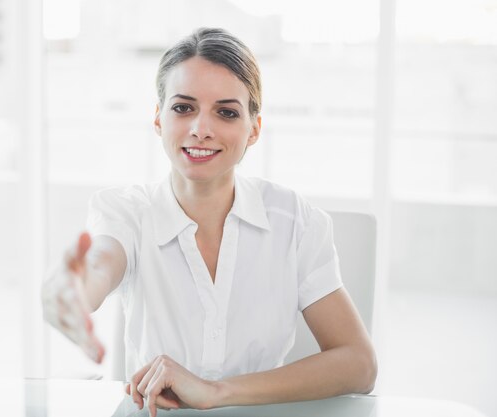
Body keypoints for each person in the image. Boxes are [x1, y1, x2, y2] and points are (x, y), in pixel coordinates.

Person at [41, 27, 377, 417]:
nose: (201, 128)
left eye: (227, 112)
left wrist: (215, 392)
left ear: (253, 129)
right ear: (158, 119)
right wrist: (73, 288)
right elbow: (100, 263)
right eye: (183, 108)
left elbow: (359, 363)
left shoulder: (295, 222)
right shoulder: (125, 211)